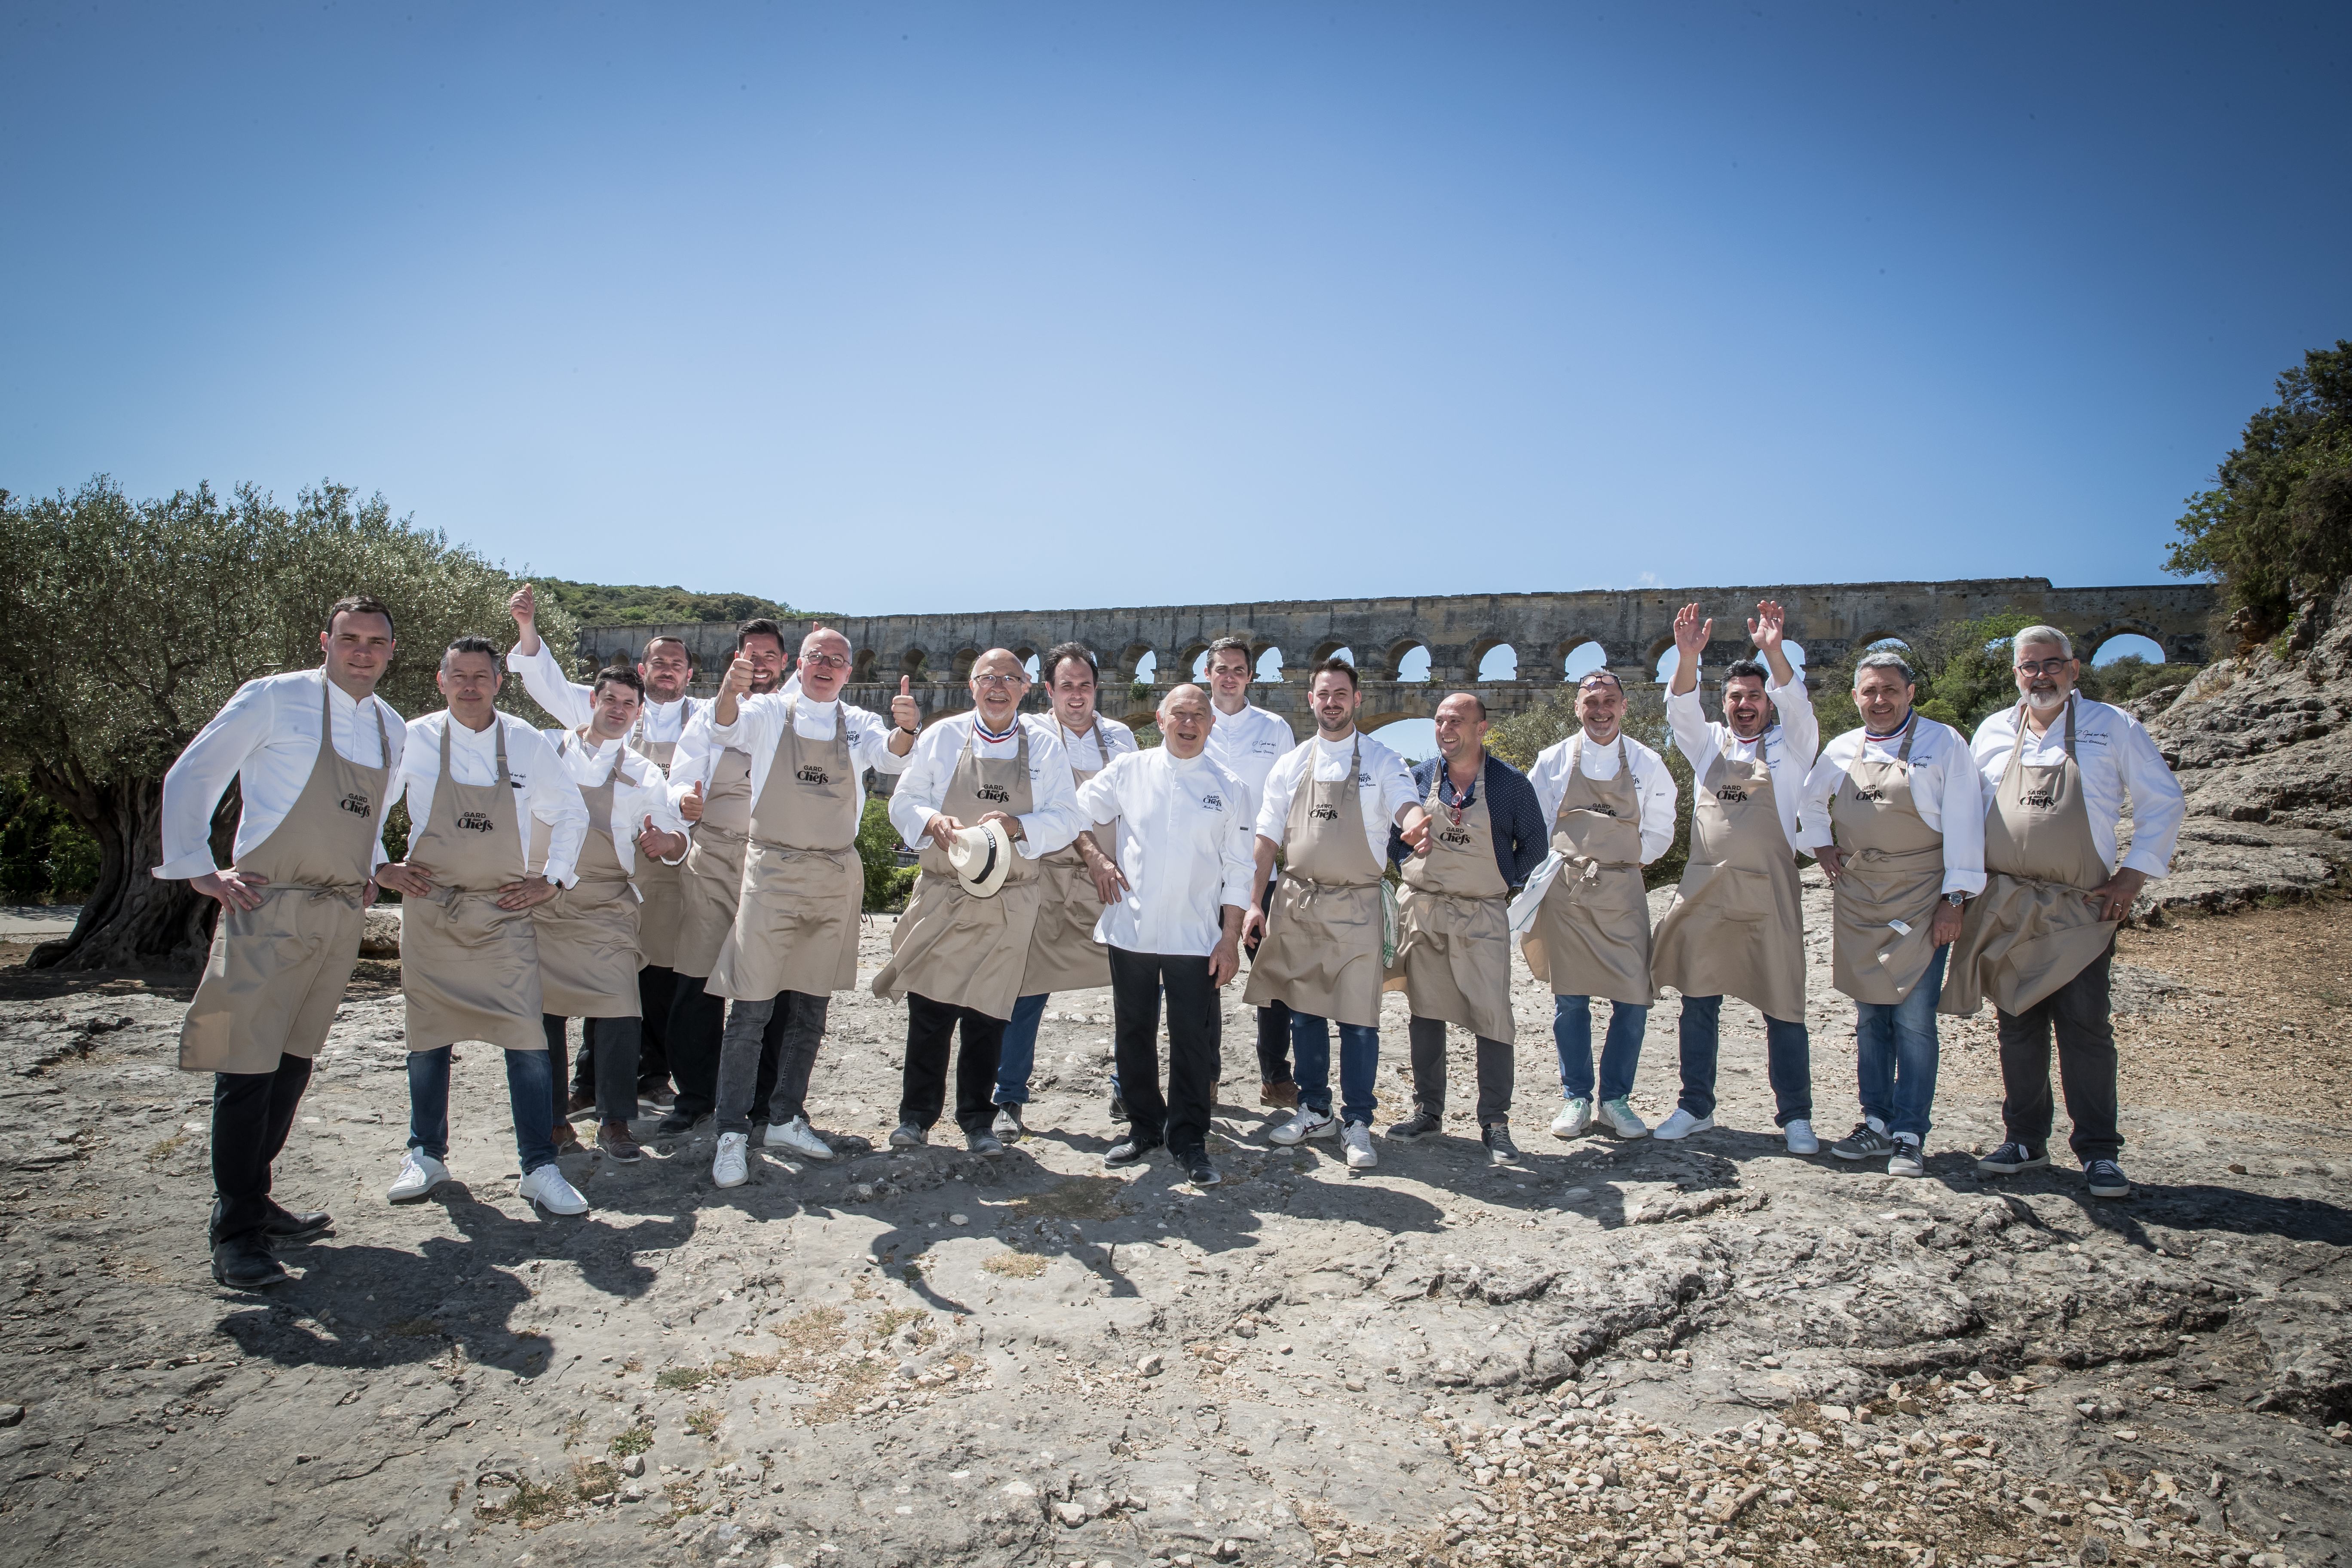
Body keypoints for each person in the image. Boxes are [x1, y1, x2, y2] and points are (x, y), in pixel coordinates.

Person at [159, 595, 408, 1289]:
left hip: (336, 913)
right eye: (350, 639)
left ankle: (257, 1197)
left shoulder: (392, 728)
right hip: (266, 904)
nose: (362, 652)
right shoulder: (274, 698)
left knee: (294, 1062)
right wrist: (198, 868)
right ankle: (234, 1230)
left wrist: (369, 867)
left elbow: (374, 813)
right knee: (246, 1067)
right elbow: (194, 772)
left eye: (376, 642)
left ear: (392, 651)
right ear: (325, 640)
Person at [1946, 627, 2183, 1200]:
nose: (2042, 675)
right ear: (2016, 675)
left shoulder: (2114, 726)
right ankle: (2025, 1139)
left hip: (2081, 906)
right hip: (2006, 901)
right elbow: (1966, 814)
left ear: (2075, 670)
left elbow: (2163, 800)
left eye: (2053, 664)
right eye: (2030, 667)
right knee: (2017, 1025)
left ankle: (2099, 1152)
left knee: (2085, 1027)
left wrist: (2134, 872)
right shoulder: (1994, 732)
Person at [374, 637, 591, 1216]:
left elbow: (571, 811)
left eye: (481, 676)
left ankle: (538, 1166)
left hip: (505, 915)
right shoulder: (413, 739)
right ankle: (425, 1154)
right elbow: (368, 806)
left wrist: (555, 880)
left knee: (527, 1043)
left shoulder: (524, 741)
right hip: (433, 913)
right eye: (458, 675)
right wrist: (380, 865)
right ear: (441, 682)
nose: (470, 685)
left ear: (500, 682)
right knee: (428, 1040)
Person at [702, 628, 916, 1188]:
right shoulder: (771, 712)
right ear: (801, 664)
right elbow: (724, 725)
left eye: (838, 661)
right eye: (818, 658)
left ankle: (785, 1117)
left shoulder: (860, 724)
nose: (827, 667)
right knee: (751, 1006)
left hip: (832, 872)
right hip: (772, 871)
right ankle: (730, 1129)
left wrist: (908, 727)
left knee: (809, 1007)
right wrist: (730, 689)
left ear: (849, 672)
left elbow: (892, 758)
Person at [875, 649, 1085, 1154]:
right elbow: (904, 799)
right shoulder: (942, 737)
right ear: (971, 686)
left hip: (1010, 899)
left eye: (1009, 679)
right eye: (988, 678)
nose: (998, 687)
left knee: (989, 1013)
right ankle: (916, 1118)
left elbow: (1067, 816)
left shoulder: (1046, 745)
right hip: (946, 893)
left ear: (1026, 688)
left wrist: (1019, 826)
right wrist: (931, 821)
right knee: (930, 1008)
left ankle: (977, 1121)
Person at [508, 583, 698, 1105]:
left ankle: (651, 1075)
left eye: (677, 663)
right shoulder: (573, 726)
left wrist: (676, 837)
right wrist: (528, 630)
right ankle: (587, 1086)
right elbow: (543, 681)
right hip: (583, 871)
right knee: (589, 984)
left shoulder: (703, 717)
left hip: (655, 862)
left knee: (654, 970)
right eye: (659, 661)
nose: (668, 669)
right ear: (642, 669)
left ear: (688, 673)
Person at [1799, 649, 1985, 1176]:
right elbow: (1809, 804)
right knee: (1870, 1016)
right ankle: (1875, 1123)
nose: (1880, 701)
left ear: (1910, 694)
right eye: (1870, 692)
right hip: (1861, 896)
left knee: (1915, 1021)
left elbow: (1967, 820)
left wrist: (1955, 900)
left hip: (1922, 894)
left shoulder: (1944, 743)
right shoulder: (1841, 749)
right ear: (1856, 697)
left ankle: (1909, 1132)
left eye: (1890, 691)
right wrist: (1823, 847)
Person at [1241, 659, 1430, 1170]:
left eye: (1341, 693)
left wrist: (1415, 825)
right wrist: (1254, 902)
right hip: (1299, 904)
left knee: (1358, 1021)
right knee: (1304, 1013)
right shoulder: (1291, 764)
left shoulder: (1383, 759)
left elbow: (1404, 803)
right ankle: (1315, 1109)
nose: (1332, 702)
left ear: (1357, 699)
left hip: (1357, 906)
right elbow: (1266, 840)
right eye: (1323, 693)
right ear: (1311, 700)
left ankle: (1359, 1121)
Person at [1648, 601, 1822, 1151]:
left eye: (1754, 696)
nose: (1745, 705)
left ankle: (1795, 1115)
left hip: (1770, 893)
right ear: (1724, 705)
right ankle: (1695, 1105)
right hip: (1708, 893)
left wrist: (1773, 650)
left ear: (1767, 701)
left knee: (1783, 1003)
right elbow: (1680, 710)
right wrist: (1686, 658)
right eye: (1736, 698)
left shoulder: (1794, 748)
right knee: (1699, 1000)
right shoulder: (1710, 746)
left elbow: (1801, 708)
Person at [1074, 684, 1256, 1185]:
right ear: (1161, 719)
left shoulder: (1231, 785)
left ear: (1211, 724)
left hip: (1196, 936)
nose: (1190, 722)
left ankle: (1190, 1137)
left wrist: (1230, 938)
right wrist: (1097, 859)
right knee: (1133, 1032)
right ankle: (1144, 1127)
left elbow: (1240, 868)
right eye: (1180, 713)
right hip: (1131, 927)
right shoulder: (1128, 771)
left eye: (1200, 714)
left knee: (1193, 1040)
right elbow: (1075, 812)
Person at [527, 663, 691, 1166]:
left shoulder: (644, 772)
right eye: (610, 700)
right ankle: (553, 1122)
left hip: (607, 901)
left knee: (622, 1007)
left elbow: (673, 836)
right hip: (540, 898)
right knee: (544, 1016)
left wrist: (669, 842)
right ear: (592, 702)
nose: (618, 711)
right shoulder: (542, 751)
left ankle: (616, 1121)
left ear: (639, 715)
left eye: (628, 704)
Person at [1381, 692, 1548, 1164]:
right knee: (1425, 1011)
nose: (1445, 728)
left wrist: (1504, 879)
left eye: (1457, 720)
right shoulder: (1417, 778)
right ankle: (1427, 1111)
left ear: (1482, 728)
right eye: (1439, 720)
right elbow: (1393, 837)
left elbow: (1536, 842)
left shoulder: (1510, 784)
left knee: (1492, 1016)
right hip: (1426, 909)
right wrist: (1406, 862)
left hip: (1481, 913)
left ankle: (1495, 1121)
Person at [1522, 668, 1678, 1139]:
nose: (1601, 710)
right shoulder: (1552, 760)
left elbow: (1662, 827)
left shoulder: (1648, 763)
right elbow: (1537, 823)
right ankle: (1577, 1097)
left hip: (1624, 890)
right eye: (1591, 702)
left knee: (1633, 998)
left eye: (1610, 700)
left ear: (1624, 707)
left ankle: (1616, 1100)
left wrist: (1624, 860)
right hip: (1567, 892)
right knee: (1571, 1000)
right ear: (1577, 709)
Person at [991, 642, 1136, 1141]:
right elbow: (1061, 806)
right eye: (1066, 686)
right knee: (1026, 987)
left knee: (1131, 987)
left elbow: (1138, 810)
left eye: (1086, 686)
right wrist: (1091, 854)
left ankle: (1129, 1087)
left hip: (1111, 877)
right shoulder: (1028, 734)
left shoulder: (1119, 738)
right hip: (1045, 875)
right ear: (1048, 690)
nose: (1077, 697)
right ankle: (1008, 1095)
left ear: (1098, 689)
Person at [660, 616, 796, 1138]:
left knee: (775, 984)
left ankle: (764, 1100)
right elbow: (677, 779)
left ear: (784, 663)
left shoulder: (797, 715)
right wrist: (682, 802)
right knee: (697, 979)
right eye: (750, 655)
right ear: (733, 661)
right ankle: (696, 1094)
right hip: (714, 853)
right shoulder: (702, 718)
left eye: (768, 655)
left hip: (776, 859)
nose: (759, 664)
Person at [1199, 635, 1302, 1108]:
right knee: (1203, 976)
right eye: (1222, 668)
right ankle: (1207, 1076)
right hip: (1204, 871)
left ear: (1251, 677)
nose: (1230, 676)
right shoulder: (1193, 721)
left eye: (1239, 669)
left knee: (1272, 976)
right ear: (1208, 673)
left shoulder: (1275, 728)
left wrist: (1260, 888)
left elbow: (1283, 808)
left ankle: (1275, 1075)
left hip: (1264, 870)